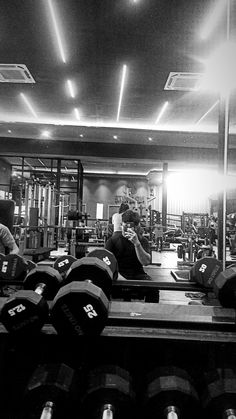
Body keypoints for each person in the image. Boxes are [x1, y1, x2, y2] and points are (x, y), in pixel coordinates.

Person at [105, 209, 152, 280]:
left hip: (138, 275)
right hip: (118, 276)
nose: (130, 228)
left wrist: (137, 244)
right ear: (121, 225)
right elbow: (106, 263)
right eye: (126, 225)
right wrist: (121, 279)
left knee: (152, 290)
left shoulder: (143, 241)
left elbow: (146, 262)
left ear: (137, 226)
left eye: (133, 225)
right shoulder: (112, 241)